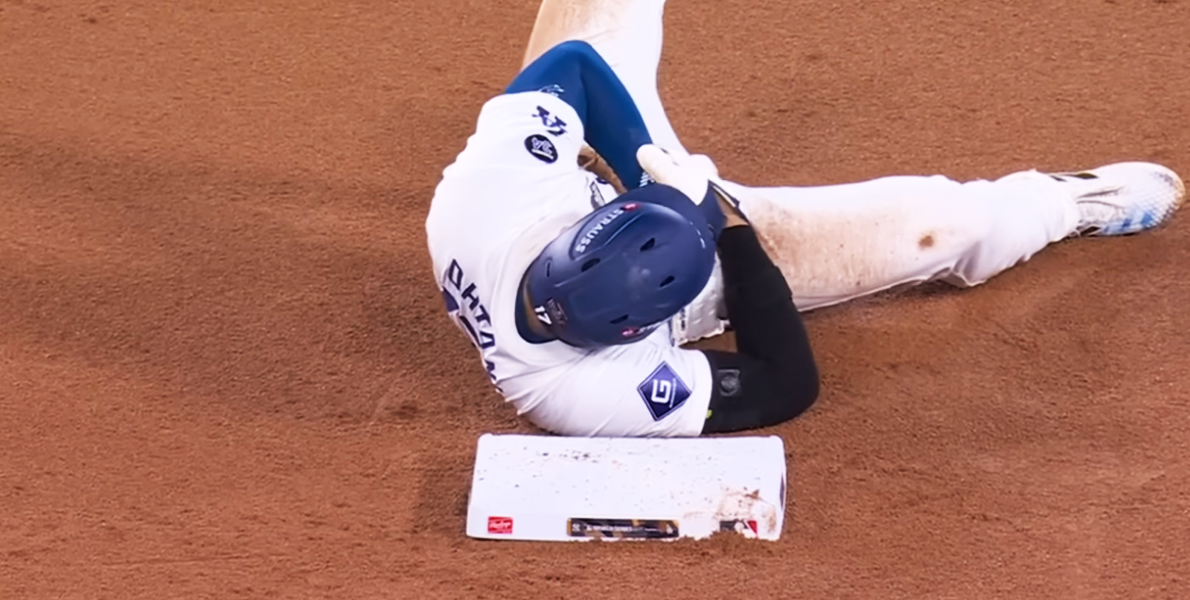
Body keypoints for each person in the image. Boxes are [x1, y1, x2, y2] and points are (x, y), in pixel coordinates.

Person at [425, 0, 1185, 437]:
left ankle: (645, 186)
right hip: (710, 262)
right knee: (943, 224)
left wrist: (647, 168)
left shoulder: (480, 205)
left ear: (571, 241)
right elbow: (782, 384)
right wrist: (726, 231)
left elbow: (575, 69)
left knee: (600, 21)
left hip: (635, 185)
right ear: (630, 339)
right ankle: (1061, 204)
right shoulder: (581, 397)